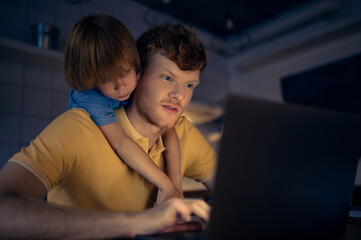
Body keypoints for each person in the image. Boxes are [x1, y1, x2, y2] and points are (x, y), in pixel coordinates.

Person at [0, 15, 217, 239]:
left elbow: (238, 197)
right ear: (139, 72)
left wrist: (175, 188)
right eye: (167, 78)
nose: (180, 96)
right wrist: (135, 222)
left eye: (189, 85)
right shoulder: (79, 127)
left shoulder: (181, 129)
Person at [65, 14, 183, 204]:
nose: (121, 86)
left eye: (126, 72)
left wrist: (175, 184)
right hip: (77, 188)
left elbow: (168, 130)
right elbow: (121, 143)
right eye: (106, 78)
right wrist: (165, 184)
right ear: (91, 77)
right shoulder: (88, 97)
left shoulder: (132, 85)